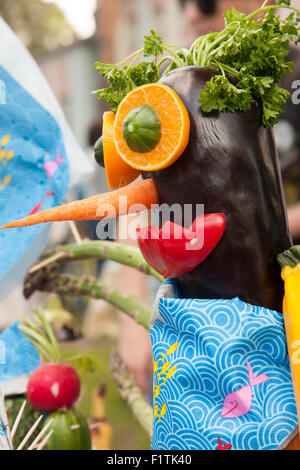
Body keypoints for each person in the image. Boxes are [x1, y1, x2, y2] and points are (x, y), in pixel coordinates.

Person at [180, 0, 300, 242]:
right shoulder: (180, 89)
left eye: (205, 2)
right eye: (182, 2)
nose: (191, 14)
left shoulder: (296, 75)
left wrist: (250, 231)